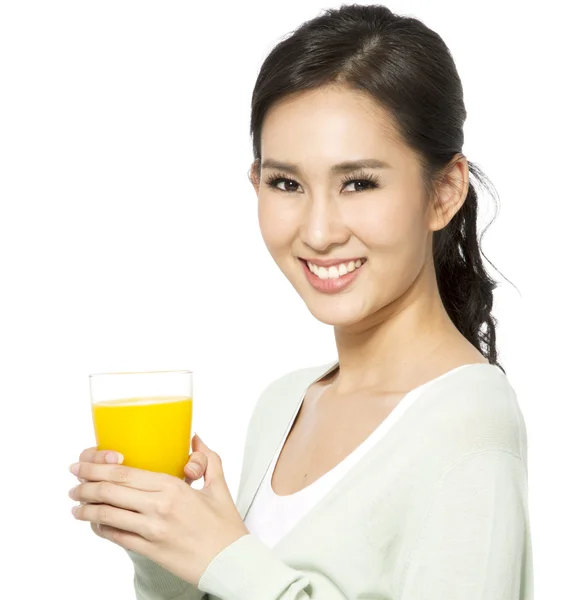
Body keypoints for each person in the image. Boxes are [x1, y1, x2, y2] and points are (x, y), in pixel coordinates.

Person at [68, 4, 533, 599]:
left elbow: (249, 578)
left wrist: (225, 555)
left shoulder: (469, 423)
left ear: (443, 192)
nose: (317, 231)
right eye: (286, 184)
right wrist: (164, 542)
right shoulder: (286, 403)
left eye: (358, 183)